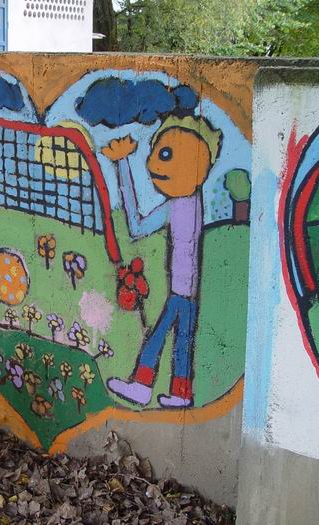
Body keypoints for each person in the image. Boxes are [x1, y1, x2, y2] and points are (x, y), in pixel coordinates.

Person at [103, 115, 222, 408]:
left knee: (160, 338)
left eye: (165, 154)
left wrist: (122, 164)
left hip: (182, 292)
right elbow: (137, 227)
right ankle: (179, 393)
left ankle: (144, 386)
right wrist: (123, 164)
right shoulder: (187, 202)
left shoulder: (182, 203)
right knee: (182, 341)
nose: (153, 164)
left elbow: (136, 226)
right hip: (186, 292)